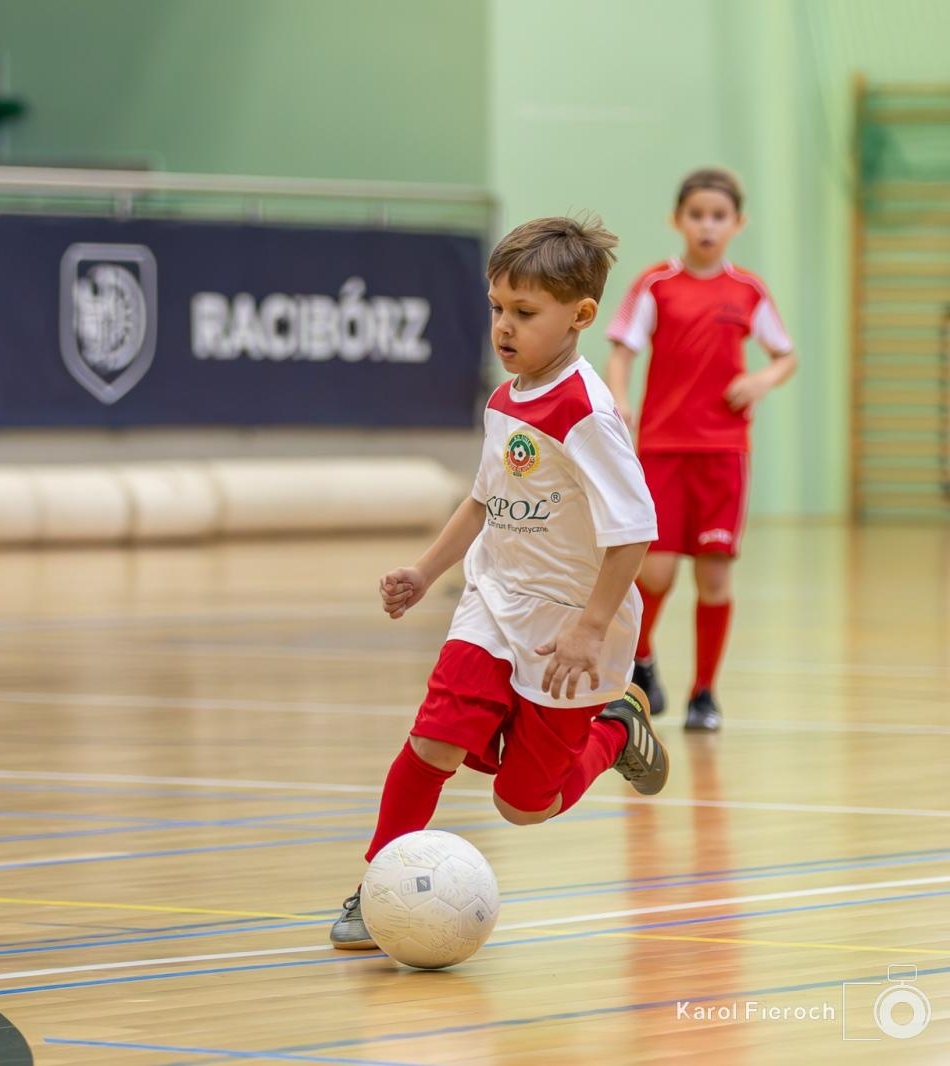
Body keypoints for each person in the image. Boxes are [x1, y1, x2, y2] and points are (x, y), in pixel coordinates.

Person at [329, 216, 668, 951]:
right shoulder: (506, 398)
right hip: (491, 602)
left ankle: (618, 726)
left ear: (580, 316)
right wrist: (426, 572)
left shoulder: (587, 413)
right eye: (495, 309)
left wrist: (587, 628)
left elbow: (635, 532)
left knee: (523, 804)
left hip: (569, 627)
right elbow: (484, 499)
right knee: (433, 743)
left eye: (524, 312)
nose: (503, 328)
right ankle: (372, 887)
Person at [605, 167, 798, 732]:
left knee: (714, 577)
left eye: (719, 216)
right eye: (697, 215)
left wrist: (762, 380)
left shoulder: (748, 291)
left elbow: (785, 355)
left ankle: (705, 692)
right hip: (662, 447)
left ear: (737, 224)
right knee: (656, 570)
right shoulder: (655, 285)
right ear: (677, 220)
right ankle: (641, 662)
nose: (707, 226)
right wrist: (619, 398)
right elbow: (622, 349)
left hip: (723, 453)